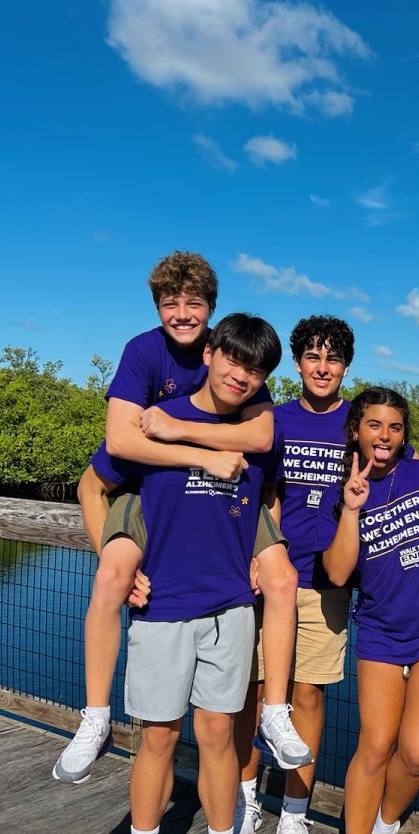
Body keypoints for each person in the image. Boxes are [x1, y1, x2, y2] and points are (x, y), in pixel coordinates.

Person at [53, 251, 309, 786]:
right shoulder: (144, 351)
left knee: (283, 579)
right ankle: (95, 716)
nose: (183, 314)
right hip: (150, 489)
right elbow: (122, 441)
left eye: (194, 303)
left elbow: (260, 438)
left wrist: (177, 430)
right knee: (112, 576)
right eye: (171, 304)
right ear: (157, 307)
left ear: (212, 311)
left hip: (231, 494)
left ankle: (276, 711)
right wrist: (200, 454)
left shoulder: (235, 354)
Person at [114, 313, 284, 834]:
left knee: (218, 736)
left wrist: (269, 550)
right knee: (156, 736)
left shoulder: (257, 432)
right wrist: (116, 559)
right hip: (162, 603)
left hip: (232, 606)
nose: (242, 375)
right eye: (234, 359)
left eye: (256, 369)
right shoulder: (151, 422)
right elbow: (97, 485)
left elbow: (272, 496)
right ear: (209, 353)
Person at [231, 315, 357, 834]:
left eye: (332, 358)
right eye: (311, 356)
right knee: (252, 695)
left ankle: (294, 815)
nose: (322, 367)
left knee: (306, 698)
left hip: (327, 583)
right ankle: (246, 801)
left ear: (345, 366)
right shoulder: (270, 418)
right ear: (299, 363)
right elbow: (258, 492)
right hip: (268, 578)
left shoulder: (361, 423)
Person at [319, 387, 419, 834]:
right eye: (375, 425)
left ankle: (387, 824)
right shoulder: (347, 487)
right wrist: (352, 508)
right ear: (356, 429)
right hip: (379, 632)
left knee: (417, 752)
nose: (385, 436)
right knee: (375, 746)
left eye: (395, 427)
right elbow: (335, 572)